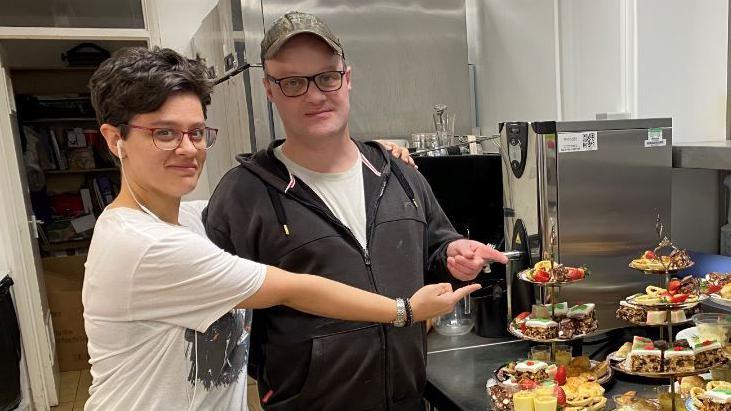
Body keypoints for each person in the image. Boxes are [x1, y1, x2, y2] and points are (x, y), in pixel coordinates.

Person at [81, 46, 478, 411]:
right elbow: (293, 287)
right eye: (163, 133)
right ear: (116, 139)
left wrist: (373, 157)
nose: (188, 148)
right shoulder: (144, 246)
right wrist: (405, 311)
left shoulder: (188, 220)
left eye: (197, 132)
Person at [203, 11, 508, 410]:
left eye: (327, 77)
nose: (315, 95)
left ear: (347, 78)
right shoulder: (243, 195)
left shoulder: (398, 173)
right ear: (269, 90)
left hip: (407, 399)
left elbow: (435, 246)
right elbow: (223, 321)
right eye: (293, 82)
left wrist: (453, 255)